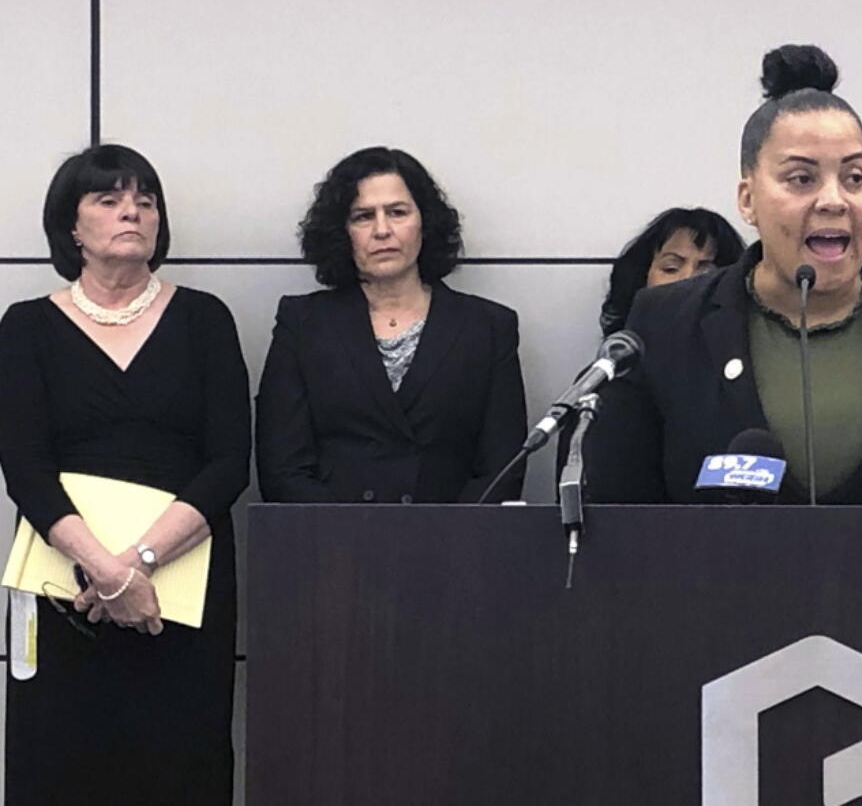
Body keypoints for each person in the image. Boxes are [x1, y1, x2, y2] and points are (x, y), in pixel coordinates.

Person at [584, 45, 862, 505]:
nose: (834, 200)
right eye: (802, 179)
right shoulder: (665, 323)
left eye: (855, 178)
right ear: (747, 200)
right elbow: (616, 518)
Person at [0, 144, 250, 804]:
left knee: (182, 759)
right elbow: (23, 467)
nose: (132, 210)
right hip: (63, 585)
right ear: (71, 227)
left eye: (145, 198)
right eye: (108, 199)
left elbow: (230, 461)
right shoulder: (25, 328)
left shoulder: (204, 319)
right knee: (58, 760)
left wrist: (139, 562)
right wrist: (106, 572)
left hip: (180, 584)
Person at [256, 146, 527, 504]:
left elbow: (502, 468)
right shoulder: (303, 324)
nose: (382, 230)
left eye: (397, 212)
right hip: (331, 547)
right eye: (363, 216)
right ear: (341, 231)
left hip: (454, 547)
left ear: (424, 222)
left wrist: (450, 541)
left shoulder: (489, 327)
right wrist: (350, 542)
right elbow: (282, 467)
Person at [599, 207, 745, 336]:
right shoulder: (619, 359)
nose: (687, 279)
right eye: (671, 268)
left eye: (706, 273)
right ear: (642, 278)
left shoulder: (747, 358)